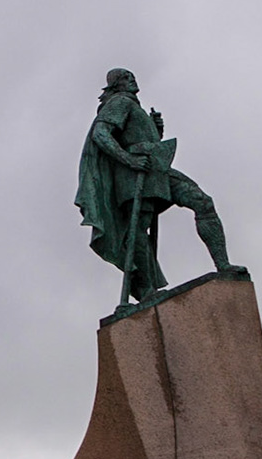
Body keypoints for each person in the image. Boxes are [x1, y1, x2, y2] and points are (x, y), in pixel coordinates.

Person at [77, 68, 239, 301]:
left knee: (202, 202)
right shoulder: (120, 102)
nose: (132, 79)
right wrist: (129, 160)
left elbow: (136, 137)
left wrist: (156, 130)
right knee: (139, 227)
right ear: (115, 85)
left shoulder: (133, 106)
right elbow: (101, 134)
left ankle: (224, 265)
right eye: (125, 77)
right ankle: (146, 290)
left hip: (156, 168)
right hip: (135, 172)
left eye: (132, 75)